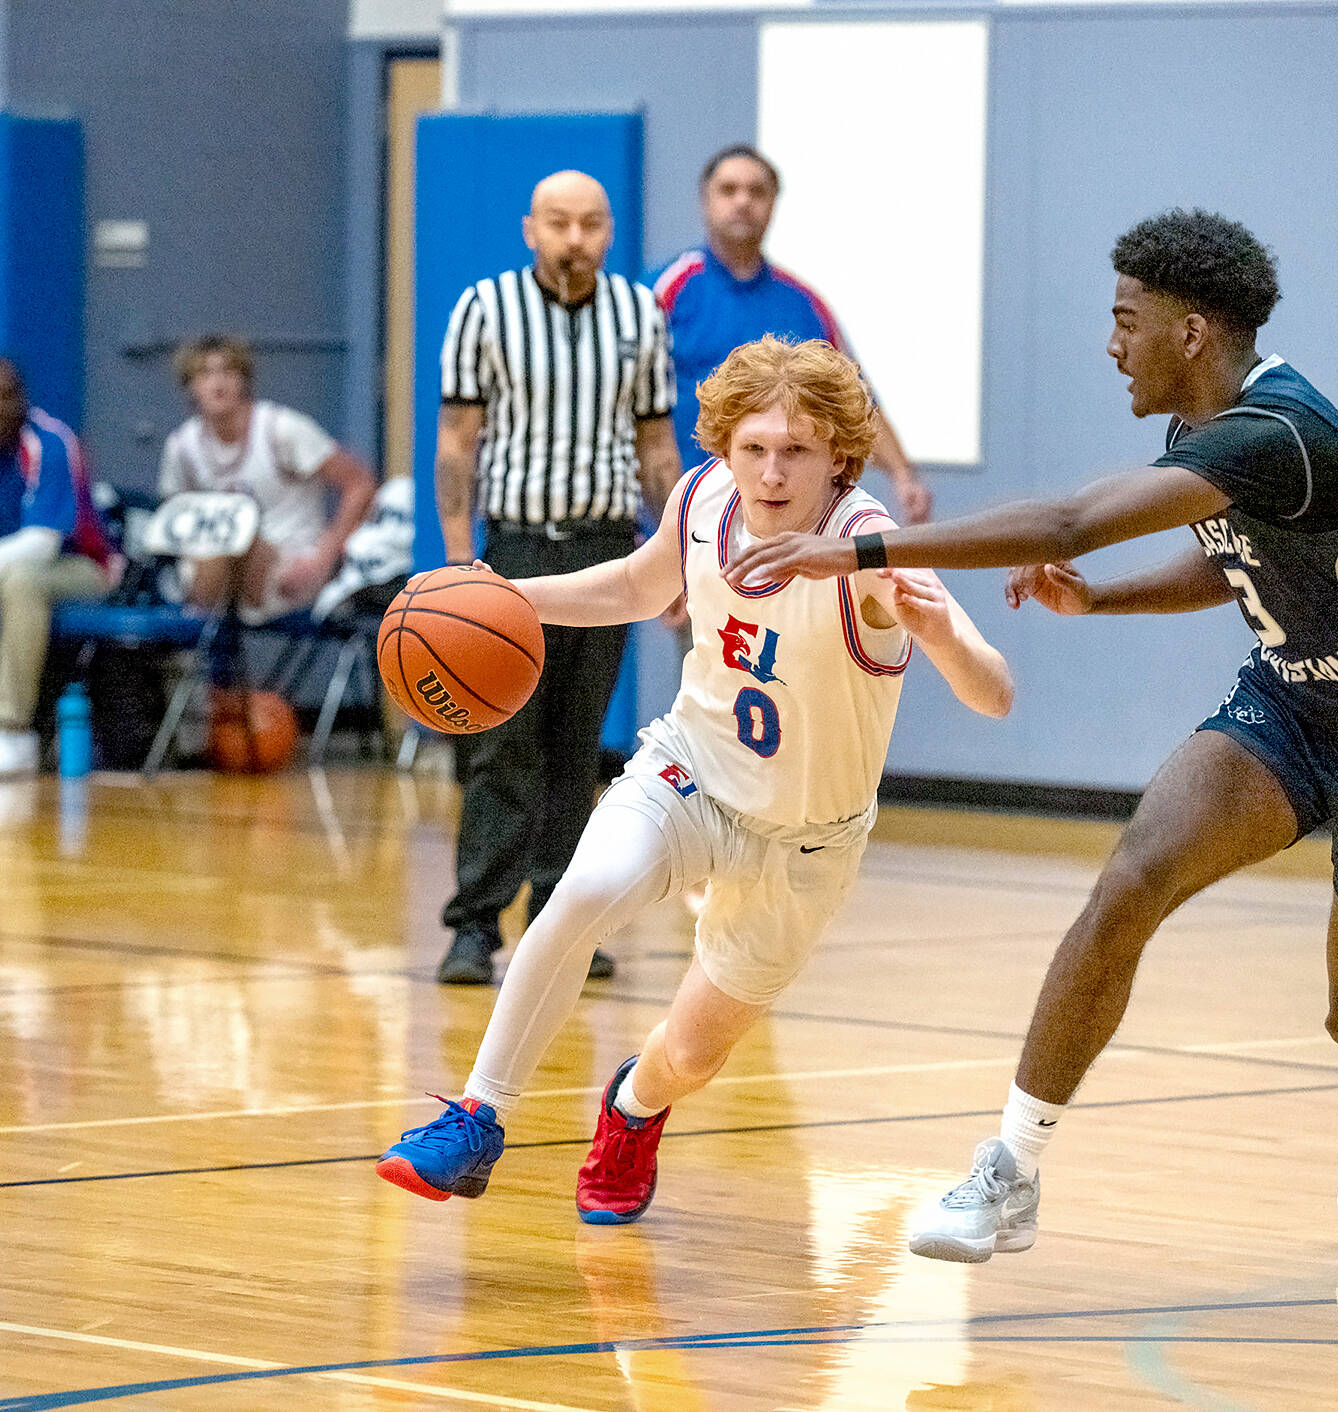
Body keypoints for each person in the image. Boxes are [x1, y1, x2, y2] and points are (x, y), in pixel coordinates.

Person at [729, 209, 1338, 1260]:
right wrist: (1104, 602)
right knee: (1130, 880)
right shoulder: (1206, 437)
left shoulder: (1282, 437)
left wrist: (850, 553)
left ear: (1191, 331)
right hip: (1290, 706)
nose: (1110, 343)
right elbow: (1236, 564)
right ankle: (1009, 1170)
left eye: (1126, 320)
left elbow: (1068, 520)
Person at [374, 336, 1012, 1220]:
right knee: (581, 892)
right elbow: (639, 586)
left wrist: (941, 636)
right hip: (692, 771)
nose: (772, 472)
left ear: (840, 457)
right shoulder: (705, 497)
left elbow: (995, 694)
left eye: (797, 451)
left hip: (804, 839)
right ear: (724, 448)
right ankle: (478, 1117)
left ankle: (633, 1106)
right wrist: (513, 596)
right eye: (753, 448)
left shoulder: (873, 549)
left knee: (693, 1055)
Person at [433, 169, 684, 987]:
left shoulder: (638, 313)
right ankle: (473, 927)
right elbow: (457, 440)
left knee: (580, 746)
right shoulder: (484, 308)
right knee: (502, 742)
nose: (576, 238)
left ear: (609, 232)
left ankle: (558, 920)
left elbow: (655, 447)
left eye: (591, 224)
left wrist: (678, 554)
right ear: (530, 229)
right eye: (559, 223)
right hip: (513, 549)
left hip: (607, 548)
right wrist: (457, 560)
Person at [653, 144, 932, 523]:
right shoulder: (664, 292)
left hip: (786, 516)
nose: (742, 201)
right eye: (729, 190)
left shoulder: (803, 303)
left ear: (773, 203)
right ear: (705, 200)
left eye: (756, 191)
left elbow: (854, 398)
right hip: (687, 512)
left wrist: (902, 474)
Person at [158, 335, 377, 625]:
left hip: (290, 565)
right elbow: (175, 517)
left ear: (244, 380)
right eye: (205, 373)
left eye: (228, 371)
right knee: (205, 551)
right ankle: (195, 655)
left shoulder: (280, 429)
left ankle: (199, 639)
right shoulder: (182, 446)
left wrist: (324, 559)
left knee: (234, 543)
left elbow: (359, 483)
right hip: (217, 573)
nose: (217, 383)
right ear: (190, 386)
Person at [0, 358, 113, 776]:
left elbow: (42, 544)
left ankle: (12, 731)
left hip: (82, 568)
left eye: (8, 396)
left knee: (22, 579)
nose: (2, 406)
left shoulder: (48, 441)